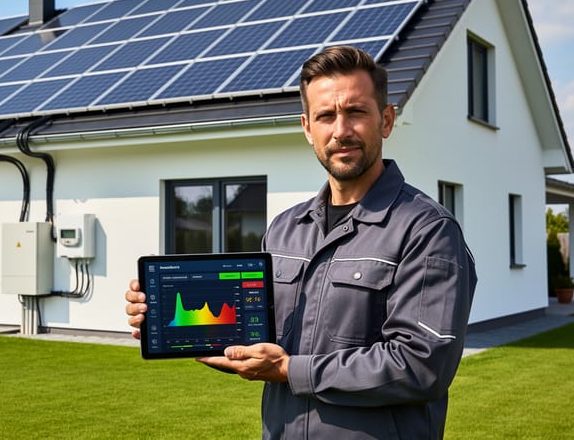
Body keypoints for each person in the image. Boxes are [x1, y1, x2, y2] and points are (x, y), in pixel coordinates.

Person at [125, 45, 477, 439]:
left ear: (386, 120)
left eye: (356, 112)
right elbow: (256, 337)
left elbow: (421, 365)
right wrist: (167, 321)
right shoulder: (284, 229)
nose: (341, 131)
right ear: (308, 128)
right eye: (326, 116)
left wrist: (289, 370)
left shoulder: (427, 231)